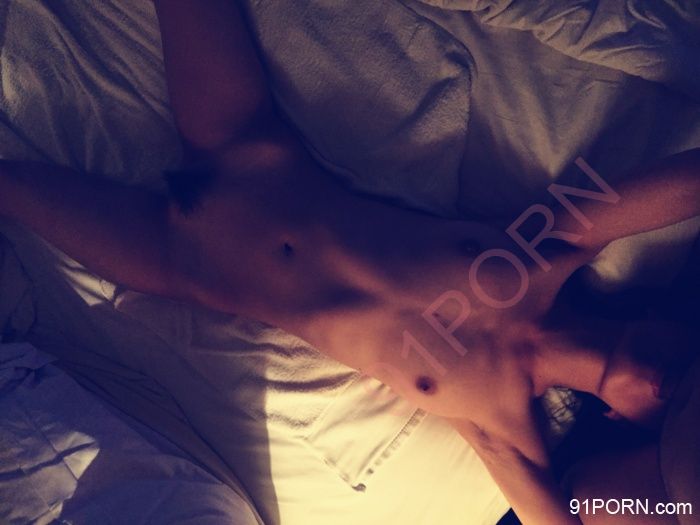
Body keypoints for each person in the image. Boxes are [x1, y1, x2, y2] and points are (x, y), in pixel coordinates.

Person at [0, 1, 697, 523]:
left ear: (620, 426)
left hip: (182, 264)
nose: (675, 387)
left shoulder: (501, 429)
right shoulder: (542, 253)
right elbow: (672, 187)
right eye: (691, 373)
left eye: (667, 413)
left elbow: (590, 511)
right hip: (243, 147)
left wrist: (672, 498)